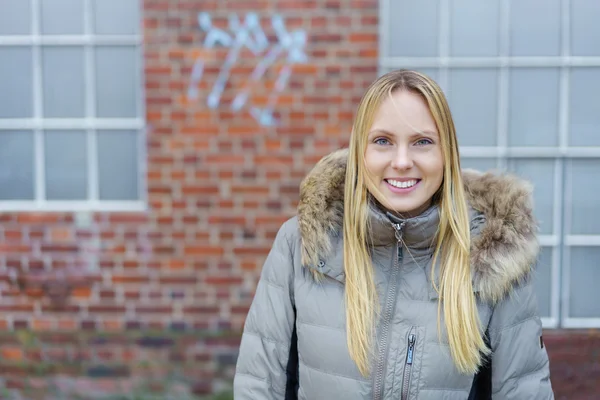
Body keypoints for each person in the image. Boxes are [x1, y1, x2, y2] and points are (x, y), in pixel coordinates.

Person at [233, 69, 554, 399]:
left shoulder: (495, 256)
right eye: (383, 141)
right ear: (361, 152)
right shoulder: (303, 243)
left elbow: (523, 390)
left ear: (447, 155)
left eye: (422, 142)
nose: (402, 161)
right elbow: (258, 384)